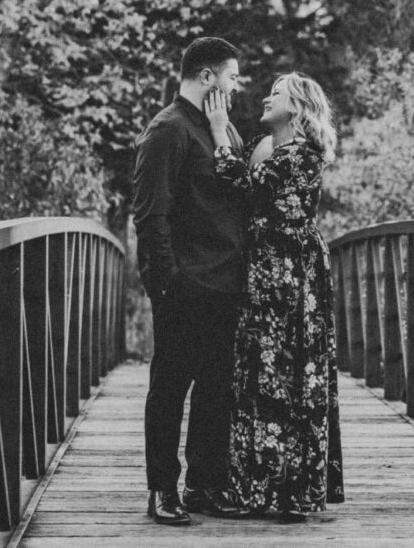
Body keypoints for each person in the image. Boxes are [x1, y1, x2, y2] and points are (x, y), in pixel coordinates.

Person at [204, 72, 345, 523]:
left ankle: (286, 490)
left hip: (291, 274)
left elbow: (241, 186)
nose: (266, 97)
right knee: (261, 371)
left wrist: (216, 132)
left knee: (285, 369)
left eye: (277, 93)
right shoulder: (266, 149)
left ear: (299, 107)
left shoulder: (303, 155)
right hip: (264, 269)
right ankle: (259, 486)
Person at [132, 36, 252, 525]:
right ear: (208, 78)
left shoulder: (222, 131)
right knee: (171, 387)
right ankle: (162, 489)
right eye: (231, 76)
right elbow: (149, 214)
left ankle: (205, 485)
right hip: (185, 285)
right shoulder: (168, 130)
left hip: (226, 282)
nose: (237, 85)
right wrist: (165, 284)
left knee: (216, 389)